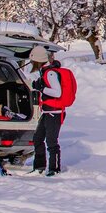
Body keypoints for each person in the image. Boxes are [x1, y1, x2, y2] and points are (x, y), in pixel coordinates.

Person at [29, 46, 67, 176]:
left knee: (51, 141)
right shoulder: (45, 72)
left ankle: (54, 169)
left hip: (55, 112)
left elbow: (57, 93)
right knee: (37, 138)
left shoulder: (50, 73)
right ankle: (39, 166)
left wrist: (41, 88)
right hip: (47, 112)